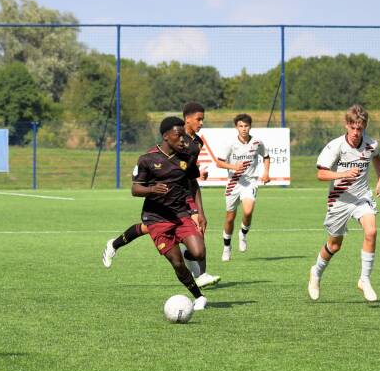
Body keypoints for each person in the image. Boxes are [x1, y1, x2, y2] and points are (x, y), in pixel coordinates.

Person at [103, 102, 221, 288]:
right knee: (150, 228)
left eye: (202, 119)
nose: (201, 123)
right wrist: (154, 188)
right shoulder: (157, 151)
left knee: (196, 230)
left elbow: (189, 173)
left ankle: (200, 275)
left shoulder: (197, 143)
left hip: (184, 195)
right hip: (163, 200)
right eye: (199, 119)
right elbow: (148, 177)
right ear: (187, 119)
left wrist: (199, 208)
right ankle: (114, 244)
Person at [307, 104, 380, 302]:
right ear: (346, 125)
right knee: (334, 246)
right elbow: (321, 174)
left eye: (360, 128)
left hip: (361, 197)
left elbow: (376, 157)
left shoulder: (371, 144)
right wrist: (343, 174)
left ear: (364, 127)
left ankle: (364, 279)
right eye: (353, 128)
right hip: (339, 200)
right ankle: (316, 272)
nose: (356, 132)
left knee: (371, 231)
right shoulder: (336, 146)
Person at [131, 116, 208, 310]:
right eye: (178, 135)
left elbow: (193, 184)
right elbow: (135, 189)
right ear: (166, 136)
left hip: (181, 214)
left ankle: (185, 248)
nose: (182, 140)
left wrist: (198, 212)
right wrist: (151, 189)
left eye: (184, 136)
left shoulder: (187, 157)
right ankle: (199, 297)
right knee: (177, 263)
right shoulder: (147, 159)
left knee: (199, 253)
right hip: (156, 218)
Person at [215, 114, 270, 261]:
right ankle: (227, 247)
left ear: (250, 127)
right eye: (241, 126)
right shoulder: (230, 144)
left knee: (248, 211)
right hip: (233, 183)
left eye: (246, 126)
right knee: (230, 218)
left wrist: (266, 172)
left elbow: (266, 157)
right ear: (236, 127)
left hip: (250, 182)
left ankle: (243, 234)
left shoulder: (257, 142)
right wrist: (234, 167)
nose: (244, 129)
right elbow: (219, 163)